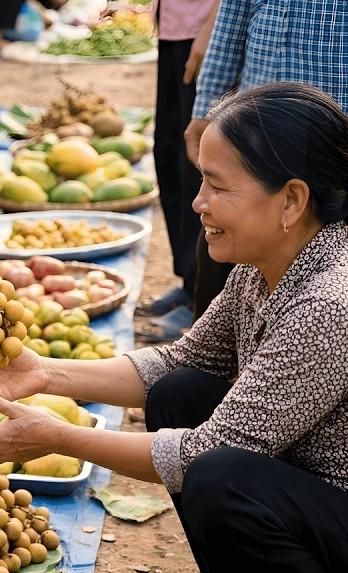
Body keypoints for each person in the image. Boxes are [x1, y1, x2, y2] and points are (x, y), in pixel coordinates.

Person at [0, 83, 348, 573]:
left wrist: (59, 437)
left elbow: (209, 453)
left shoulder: (332, 303)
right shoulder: (269, 260)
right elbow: (180, 364)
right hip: (318, 501)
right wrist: (46, 372)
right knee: (182, 395)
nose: (198, 203)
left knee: (220, 475)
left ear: (292, 200)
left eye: (217, 185)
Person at [183, 0, 348, 318]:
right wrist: (207, 103)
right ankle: (220, 349)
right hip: (256, 106)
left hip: (347, 108)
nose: (197, 201)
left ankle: (301, 352)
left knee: (321, 256)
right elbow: (234, 10)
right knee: (224, 240)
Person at [134, 0, 217, 343]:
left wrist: (211, 26)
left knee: (197, 166)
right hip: (174, 28)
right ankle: (188, 281)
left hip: (206, 31)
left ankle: (204, 301)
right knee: (168, 155)